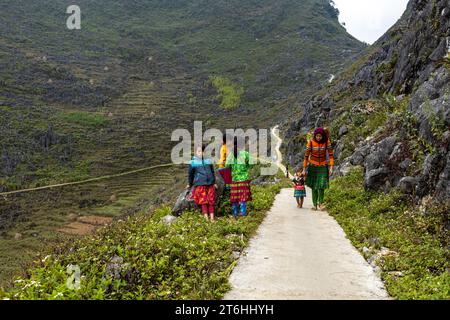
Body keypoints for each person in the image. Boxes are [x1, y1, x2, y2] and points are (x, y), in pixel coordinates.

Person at [302, 127, 334, 211]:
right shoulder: (311, 142)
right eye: (317, 136)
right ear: (315, 136)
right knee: (314, 186)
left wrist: (331, 167)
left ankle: (321, 203)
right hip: (313, 166)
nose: (319, 138)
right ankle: (314, 204)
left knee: (322, 186)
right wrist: (304, 169)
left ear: (323, 136)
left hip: (323, 166)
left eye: (320, 136)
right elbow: (306, 157)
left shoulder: (326, 142)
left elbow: (331, 155)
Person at [187, 144, 218, 221]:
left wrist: (214, 182)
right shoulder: (193, 162)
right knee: (203, 201)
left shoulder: (208, 161)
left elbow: (212, 172)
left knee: (211, 201)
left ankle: (212, 218)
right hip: (200, 184)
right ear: (195, 152)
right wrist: (190, 184)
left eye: (203, 151)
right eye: (199, 151)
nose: (201, 153)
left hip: (210, 184)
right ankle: (206, 219)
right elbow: (190, 174)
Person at [225, 137, 254, 219]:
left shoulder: (231, 155)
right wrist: (246, 168)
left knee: (235, 198)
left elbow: (227, 166)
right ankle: (243, 213)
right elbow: (251, 163)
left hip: (234, 180)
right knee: (243, 198)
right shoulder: (245, 154)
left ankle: (235, 214)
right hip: (244, 179)